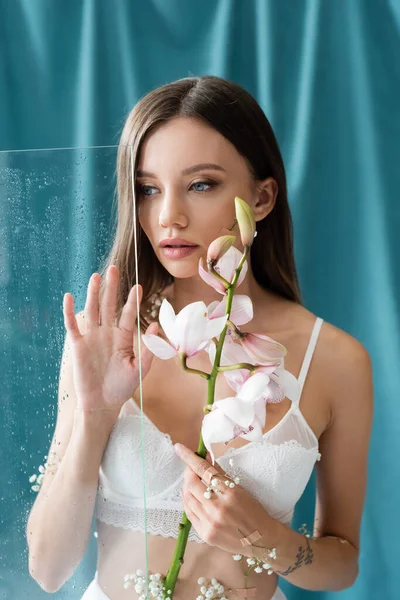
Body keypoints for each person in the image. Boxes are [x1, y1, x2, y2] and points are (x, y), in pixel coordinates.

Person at [26, 75, 373, 600]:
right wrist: (94, 418)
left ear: (261, 198)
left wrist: (266, 540)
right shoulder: (106, 343)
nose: (169, 217)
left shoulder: (334, 359)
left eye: (201, 184)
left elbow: (342, 563)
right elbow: (47, 569)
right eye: (148, 189)